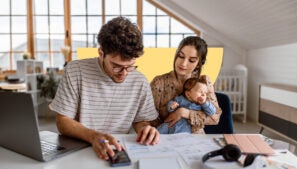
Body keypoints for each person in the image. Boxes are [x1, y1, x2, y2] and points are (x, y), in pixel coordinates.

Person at [49, 16, 159, 161]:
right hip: (79, 149)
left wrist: (145, 129)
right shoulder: (75, 70)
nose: (124, 73)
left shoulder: (140, 80)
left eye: (130, 66)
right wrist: (94, 136)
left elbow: (141, 120)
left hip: (117, 151)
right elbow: (62, 121)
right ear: (101, 53)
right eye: (116, 66)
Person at [150, 36, 222, 134]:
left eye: (191, 60)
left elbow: (215, 118)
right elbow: (148, 118)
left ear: (198, 64)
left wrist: (185, 113)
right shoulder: (159, 82)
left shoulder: (204, 82)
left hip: (196, 141)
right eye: (181, 56)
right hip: (165, 137)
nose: (183, 64)